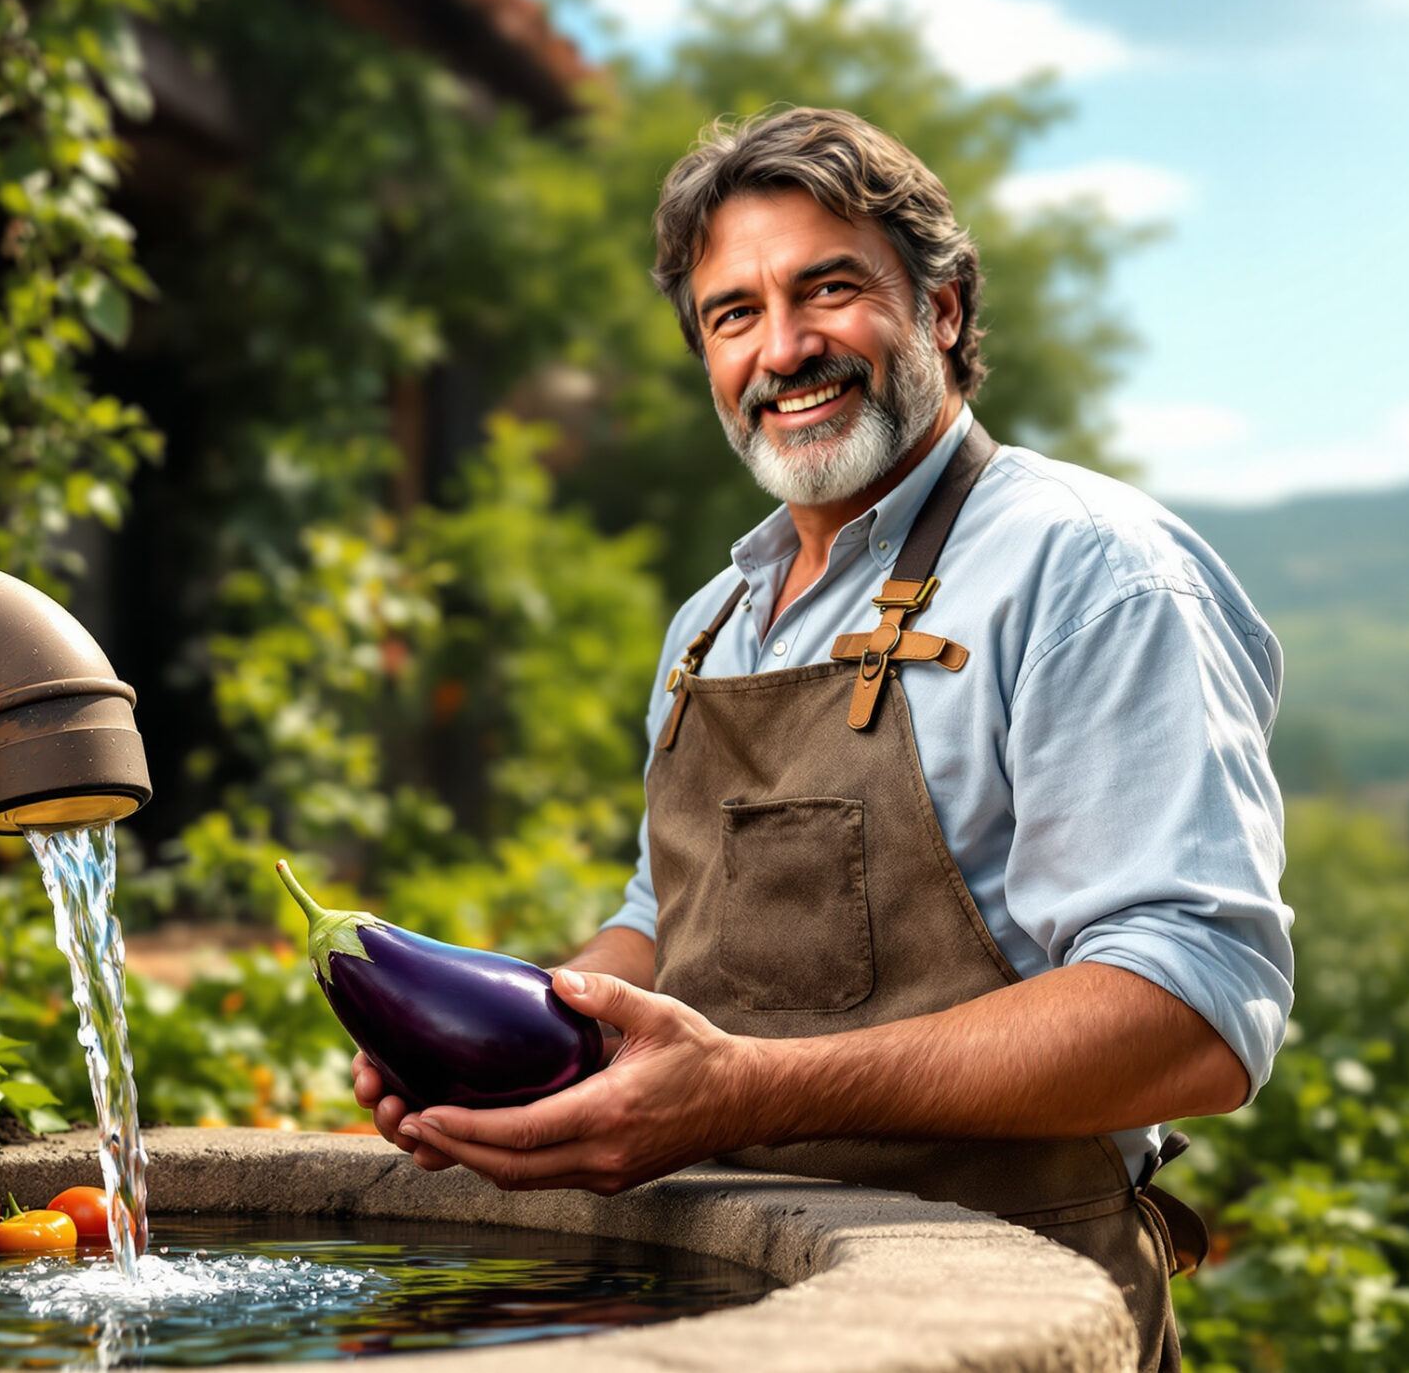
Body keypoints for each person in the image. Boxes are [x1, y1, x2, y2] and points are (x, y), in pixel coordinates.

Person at [351, 107, 1293, 1373]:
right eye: (732, 313)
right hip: (737, 1306)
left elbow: (1193, 1010)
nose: (781, 350)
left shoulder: (1085, 568)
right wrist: (515, 1043)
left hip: (1001, 1317)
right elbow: (665, 922)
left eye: (828, 290)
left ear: (944, 308)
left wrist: (749, 1089)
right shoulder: (713, 621)